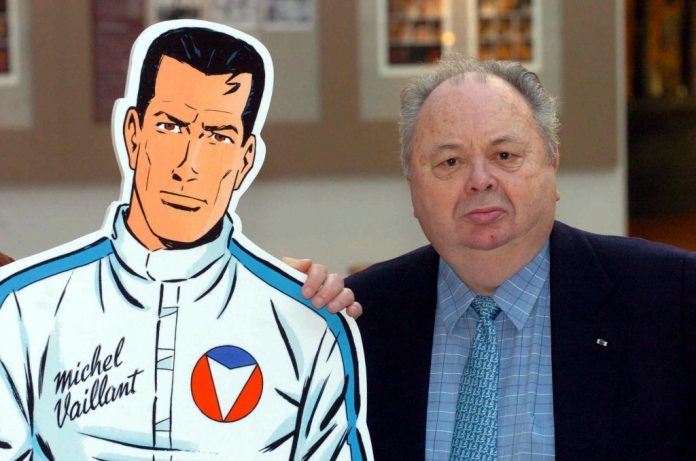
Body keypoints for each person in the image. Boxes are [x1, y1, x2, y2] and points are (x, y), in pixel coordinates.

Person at [0, 22, 369, 460]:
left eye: (218, 136)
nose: (188, 166)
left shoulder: (305, 325)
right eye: (171, 126)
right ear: (133, 133)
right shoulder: (25, 311)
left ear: (245, 159)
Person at [347, 55, 696, 460]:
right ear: (413, 188)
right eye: (450, 162)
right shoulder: (355, 320)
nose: (480, 181)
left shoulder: (672, 298)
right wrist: (284, 303)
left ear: (552, 163)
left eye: (505, 155)